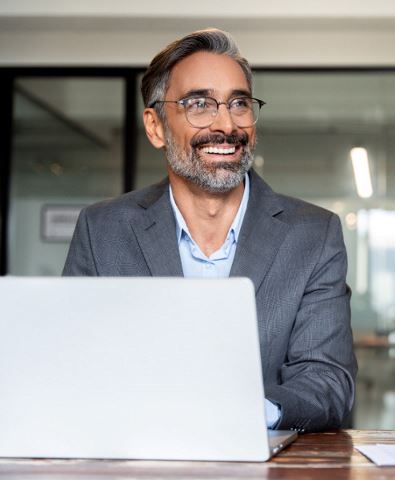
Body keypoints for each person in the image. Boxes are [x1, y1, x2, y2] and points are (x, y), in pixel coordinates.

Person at [63, 28, 357, 433]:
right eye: (199, 104)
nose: (226, 124)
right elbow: (73, 366)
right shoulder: (103, 230)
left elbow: (328, 380)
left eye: (239, 103)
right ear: (156, 127)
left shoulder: (313, 234)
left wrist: (246, 416)